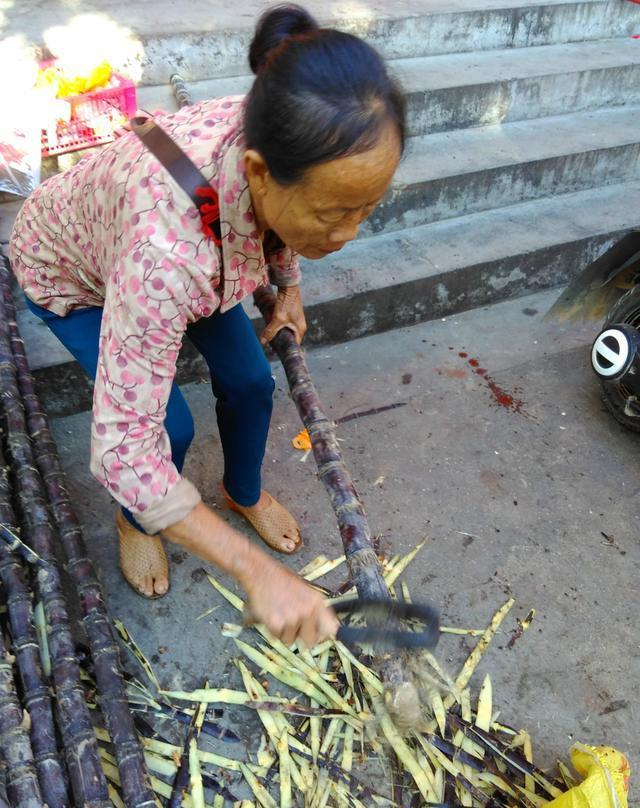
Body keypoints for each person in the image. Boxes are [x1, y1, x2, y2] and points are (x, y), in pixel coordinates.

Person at [9, 4, 405, 646]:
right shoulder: (165, 258)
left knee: (252, 382)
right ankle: (137, 523)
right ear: (257, 171)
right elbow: (123, 449)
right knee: (164, 426)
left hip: (212, 246)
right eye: (334, 213)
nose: (348, 234)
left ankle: (241, 490)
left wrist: (290, 291)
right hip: (74, 270)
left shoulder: (280, 120)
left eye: (366, 208)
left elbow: (278, 221)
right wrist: (258, 573)